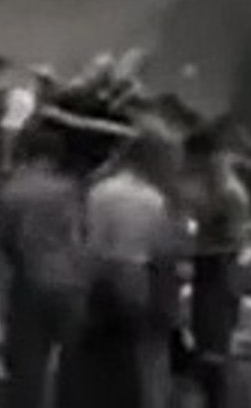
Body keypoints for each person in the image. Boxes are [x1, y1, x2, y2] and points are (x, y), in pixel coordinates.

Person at [62, 114, 190, 408]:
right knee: (142, 368)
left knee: (98, 371)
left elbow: (85, 239)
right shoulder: (153, 200)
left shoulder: (100, 188)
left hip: (95, 283)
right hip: (135, 284)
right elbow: (165, 250)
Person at [0, 123, 88, 408]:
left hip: (29, 280)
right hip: (71, 282)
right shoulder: (70, 189)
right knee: (74, 363)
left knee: (27, 365)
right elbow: (82, 233)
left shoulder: (10, 192)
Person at [183, 122, 250, 408]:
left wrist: (201, 229)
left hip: (219, 268)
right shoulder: (214, 184)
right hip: (209, 268)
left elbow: (230, 235)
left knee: (214, 350)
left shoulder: (226, 190)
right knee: (205, 344)